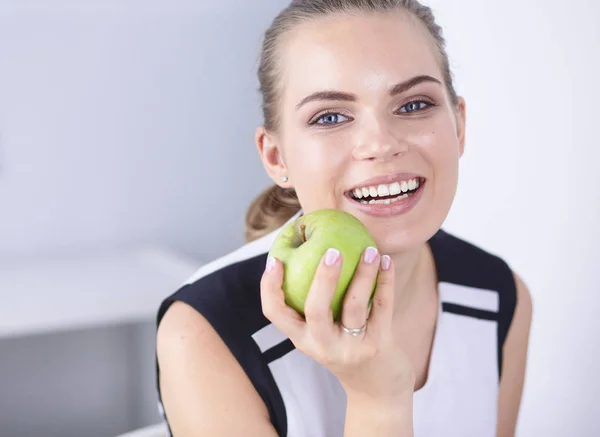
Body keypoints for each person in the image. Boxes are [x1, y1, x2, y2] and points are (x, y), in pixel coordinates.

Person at [155, 0, 533, 436]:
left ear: (459, 125)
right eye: (330, 116)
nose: (380, 143)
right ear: (277, 158)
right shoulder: (205, 331)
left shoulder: (499, 294)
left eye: (413, 105)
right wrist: (379, 397)